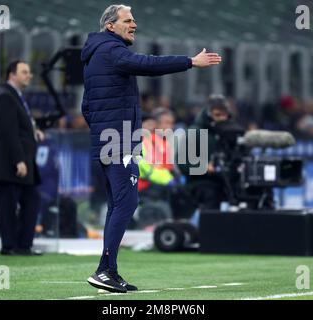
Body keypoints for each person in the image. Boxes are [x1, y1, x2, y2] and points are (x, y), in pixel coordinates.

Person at [82, 4, 221, 293]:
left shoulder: (96, 55)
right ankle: (105, 269)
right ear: (111, 26)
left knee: (118, 205)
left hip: (110, 139)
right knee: (127, 203)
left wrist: (103, 131)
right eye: (128, 20)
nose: (134, 24)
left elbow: (87, 106)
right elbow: (147, 64)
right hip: (118, 141)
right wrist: (190, 62)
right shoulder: (111, 51)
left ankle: (108, 269)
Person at [0, 60, 44, 256]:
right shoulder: (5, 97)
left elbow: (18, 127)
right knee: (9, 204)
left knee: (31, 199)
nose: (29, 75)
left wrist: (33, 131)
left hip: (19, 159)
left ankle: (22, 244)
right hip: (9, 162)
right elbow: (8, 132)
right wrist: (18, 160)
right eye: (24, 72)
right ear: (11, 74)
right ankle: (9, 246)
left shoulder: (14, 96)